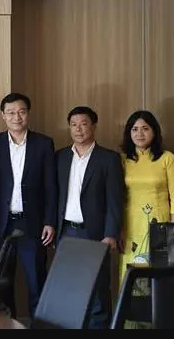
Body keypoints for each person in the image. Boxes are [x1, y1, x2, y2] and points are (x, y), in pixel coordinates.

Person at [0, 93, 56, 319]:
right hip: (1, 225)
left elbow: (50, 187)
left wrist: (49, 221)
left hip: (32, 223)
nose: (17, 117)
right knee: (2, 282)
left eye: (21, 111)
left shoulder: (43, 143)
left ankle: (39, 325)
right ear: (3, 115)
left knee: (36, 280)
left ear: (28, 113)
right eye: (11, 112)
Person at [55, 106, 124, 329]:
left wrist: (110, 234)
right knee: (69, 288)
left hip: (94, 232)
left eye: (83, 123)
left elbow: (115, 200)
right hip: (66, 232)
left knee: (98, 289)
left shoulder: (109, 158)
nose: (78, 129)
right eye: (73, 124)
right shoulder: (61, 157)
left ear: (94, 126)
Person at [118, 110, 174, 283]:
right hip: (130, 224)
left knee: (158, 273)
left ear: (154, 131)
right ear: (129, 133)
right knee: (132, 272)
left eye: (145, 128)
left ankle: (158, 310)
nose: (139, 133)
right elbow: (119, 196)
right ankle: (130, 310)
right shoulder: (123, 160)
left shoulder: (167, 158)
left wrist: (173, 229)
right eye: (134, 129)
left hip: (159, 223)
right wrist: (120, 229)